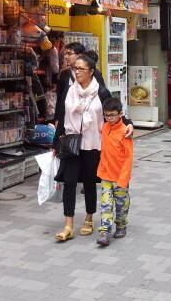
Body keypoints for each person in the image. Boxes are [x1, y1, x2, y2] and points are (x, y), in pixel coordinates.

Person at [53, 54, 132, 241]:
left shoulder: (101, 92)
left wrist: (128, 123)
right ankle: (68, 225)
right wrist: (56, 142)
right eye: (75, 68)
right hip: (72, 142)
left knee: (89, 181)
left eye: (81, 69)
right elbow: (61, 114)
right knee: (70, 181)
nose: (77, 72)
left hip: (93, 143)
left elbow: (113, 111)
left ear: (91, 71)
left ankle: (89, 218)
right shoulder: (70, 90)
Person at [95, 97, 133, 247]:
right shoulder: (104, 127)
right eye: (106, 115)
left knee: (121, 204)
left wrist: (123, 179)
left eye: (112, 115)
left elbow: (129, 158)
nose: (109, 118)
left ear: (120, 114)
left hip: (120, 177)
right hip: (105, 175)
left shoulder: (125, 132)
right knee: (105, 203)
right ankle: (105, 231)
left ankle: (121, 224)